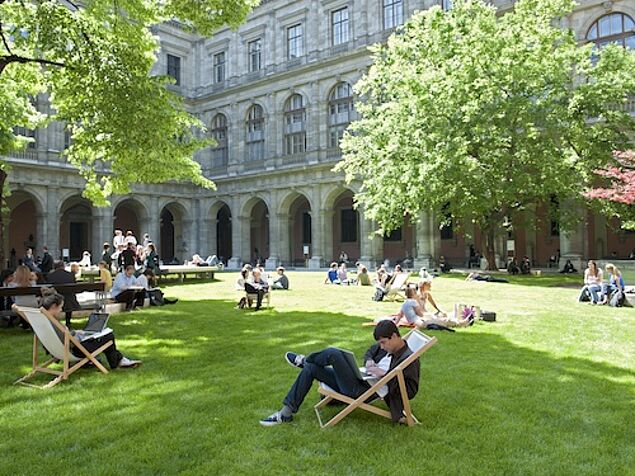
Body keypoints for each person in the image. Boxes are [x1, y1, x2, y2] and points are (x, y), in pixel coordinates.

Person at [260, 320, 419, 426]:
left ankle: (304, 360)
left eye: (384, 343)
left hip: (362, 391)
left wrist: (384, 375)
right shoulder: (389, 346)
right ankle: (285, 414)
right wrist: (370, 361)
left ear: (394, 336)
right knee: (312, 369)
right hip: (362, 381)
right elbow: (372, 350)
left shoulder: (408, 359)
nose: (382, 347)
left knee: (335, 354)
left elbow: (410, 391)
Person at [41, 291, 141, 368]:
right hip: (76, 350)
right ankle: (117, 361)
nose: (61, 310)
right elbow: (68, 339)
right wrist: (74, 333)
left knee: (99, 334)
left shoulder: (43, 319)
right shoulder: (52, 322)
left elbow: (63, 337)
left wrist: (76, 332)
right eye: (60, 307)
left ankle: (119, 359)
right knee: (108, 335)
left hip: (62, 350)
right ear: (53, 306)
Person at [45, 260, 81, 327]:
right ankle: (68, 322)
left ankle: (54, 322)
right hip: (70, 300)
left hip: (55, 300)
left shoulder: (50, 276)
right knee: (69, 297)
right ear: (63, 266)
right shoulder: (70, 275)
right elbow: (75, 287)